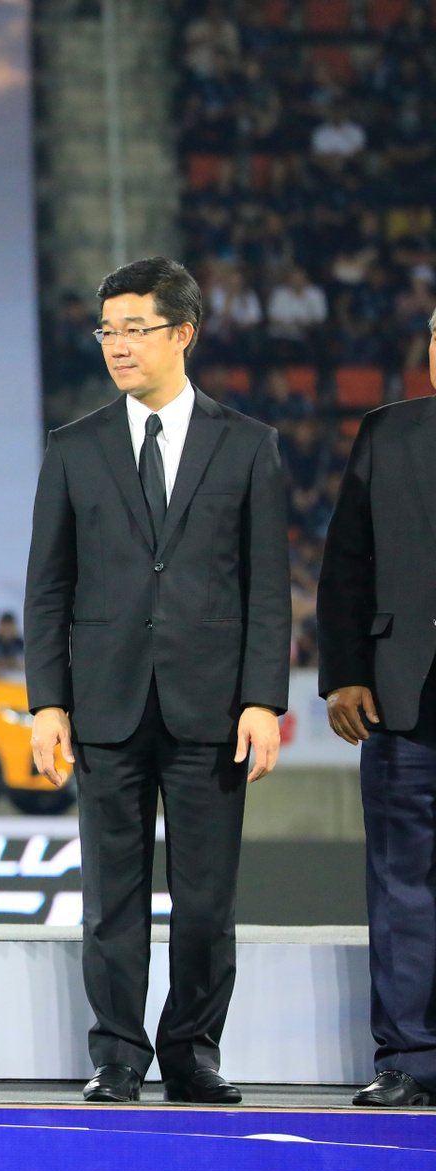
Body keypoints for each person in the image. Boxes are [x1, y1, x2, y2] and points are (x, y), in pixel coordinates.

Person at [25, 256, 288, 1106]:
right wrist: (47, 702)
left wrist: (263, 700)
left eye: (134, 329)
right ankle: (117, 1056)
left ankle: (192, 1053)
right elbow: (48, 588)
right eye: (107, 330)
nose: (117, 345)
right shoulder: (73, 448)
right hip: (104, 706)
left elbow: (267, 587)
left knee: (206, 900)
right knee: (112, 898)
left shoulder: (247, 445)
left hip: (212, 707)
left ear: (183, 334)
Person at [316, 304, 436, 1108]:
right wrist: (344, 674)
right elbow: (346, 565)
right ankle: (409, 1060)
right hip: (400, 697)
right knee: (399, 887)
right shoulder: (386, 434)